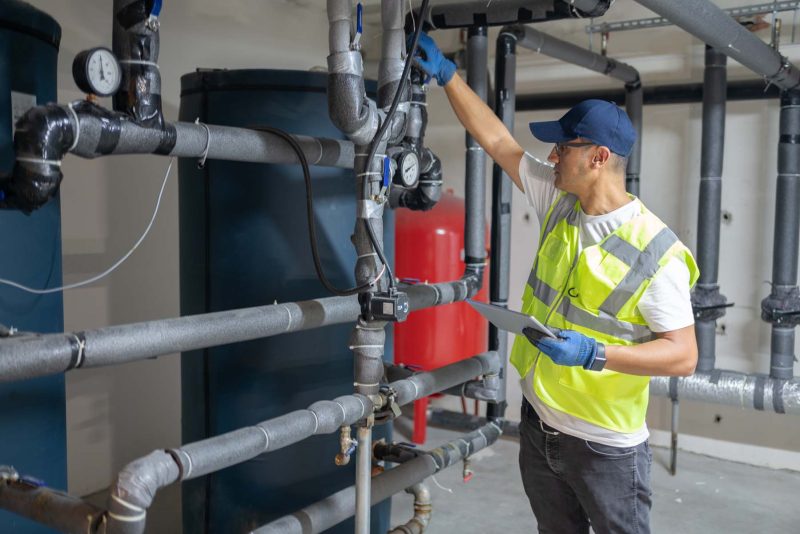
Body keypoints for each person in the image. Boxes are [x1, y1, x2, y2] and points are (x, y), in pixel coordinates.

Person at [411, 32, 700, 534]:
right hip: (539, 423)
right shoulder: (561, 202)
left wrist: (595, 354)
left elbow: (683, 355)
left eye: (564, 147)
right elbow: (499, 142)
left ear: (598, 158)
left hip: (604, 447)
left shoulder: (656, 252)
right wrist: (449, 77)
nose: (552, 156)